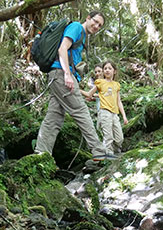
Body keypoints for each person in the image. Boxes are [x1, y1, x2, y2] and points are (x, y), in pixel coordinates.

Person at [34, 11, 113, 160]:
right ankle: (99, 151)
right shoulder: (77, 27)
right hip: (60, 74)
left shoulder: (82, 36)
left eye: (99, 25)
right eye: (95, 21)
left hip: (57, 75)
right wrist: (67, 74)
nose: (96, 26)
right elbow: (62, 48)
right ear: (88, 18)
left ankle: (41, 154)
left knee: (54, 116)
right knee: (81, 111)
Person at [83, 60, 128, 155]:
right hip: (105, 112)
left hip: (114, 114)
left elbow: (118, 101)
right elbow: (89, 94)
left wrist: (124, 116)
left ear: (114, 71)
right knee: (108, 137)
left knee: (119, 139)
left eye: (109, 68)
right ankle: (109, 156)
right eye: (105, 69)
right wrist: (77, 90)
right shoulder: (100, 82)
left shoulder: (116, 85)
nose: (107, 70)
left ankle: (114, 152)